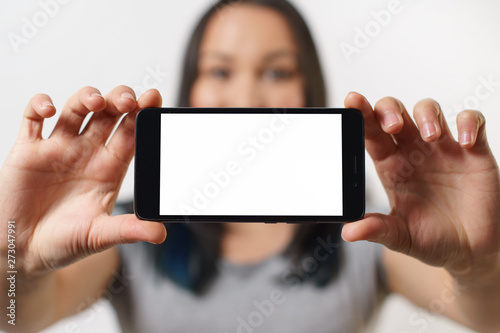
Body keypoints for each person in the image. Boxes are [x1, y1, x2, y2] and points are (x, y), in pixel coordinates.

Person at [1, 0, 499, 332]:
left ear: (310, 92)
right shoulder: (127, 233)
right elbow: (15, 318)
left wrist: (479, 263)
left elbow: (490, 316)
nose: (246, 96)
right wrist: (13, 256)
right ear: (189, 90)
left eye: (278, 70)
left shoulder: (367, 236)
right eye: (219, 70)